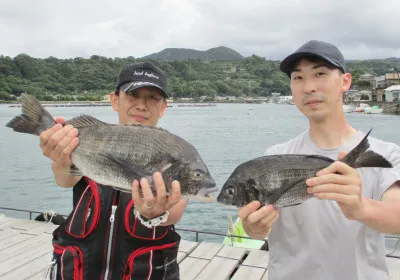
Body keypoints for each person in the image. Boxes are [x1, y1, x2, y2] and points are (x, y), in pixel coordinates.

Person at [238, 40, 400, 280]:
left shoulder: (386, 154)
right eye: (298, 78)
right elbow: (257, 229)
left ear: (345, 81)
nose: (309, 87)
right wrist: (253, 227)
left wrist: (360, 207)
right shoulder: (274, 158)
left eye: (320, 74)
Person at [39, 61, 187, 279]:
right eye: (133, 95)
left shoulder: (174, 153)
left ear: (163, 106)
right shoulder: (91, 140)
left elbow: (174, 212)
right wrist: (59, 154)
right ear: (115, 100)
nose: (141, 105)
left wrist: (156, 213)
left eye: (152, 98)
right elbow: (64, 179)